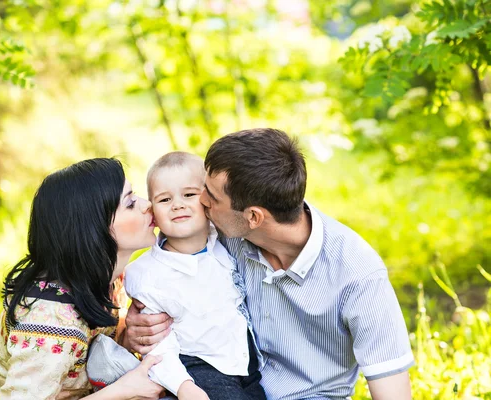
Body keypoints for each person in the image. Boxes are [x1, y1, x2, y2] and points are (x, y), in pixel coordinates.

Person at [125, 129, 415, 400]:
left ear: (253, 217)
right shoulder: (224, 235)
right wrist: (136, 327)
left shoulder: (357, 274)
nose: (200, 202)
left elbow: (391, 386)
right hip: (227, 382)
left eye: (210, 196)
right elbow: (167, 271)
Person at [0, 158, 164, 400]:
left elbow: (87, 345)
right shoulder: (51, 323)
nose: (148, 205)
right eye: (129, 204)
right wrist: (124, 391)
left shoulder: (103, 276)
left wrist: (126, 334)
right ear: (92, 230)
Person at [124, 152, 266, 400]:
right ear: (153, 213)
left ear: (208, 202)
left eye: (189, 194)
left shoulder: (223, 241)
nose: (177, 204)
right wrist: (183, 386)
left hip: (246, 365)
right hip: (198, 369)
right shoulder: (147, 276)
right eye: (165, 199)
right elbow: (157, 347)